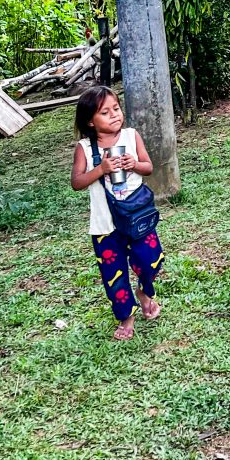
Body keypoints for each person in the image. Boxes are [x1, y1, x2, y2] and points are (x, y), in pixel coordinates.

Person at [71, 86, 164, 341]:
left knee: (151, 259)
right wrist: (101, 169)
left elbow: (148, 167)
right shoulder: (84, 147)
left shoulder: (131, 136)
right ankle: (127, 317)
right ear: (91, 120)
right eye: (105, 112)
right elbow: (77, 182)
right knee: (114, 276)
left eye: (116, 108)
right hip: (105, 226)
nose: (114, 115)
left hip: (137, 219)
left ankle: (145, 291)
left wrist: (133, 164)